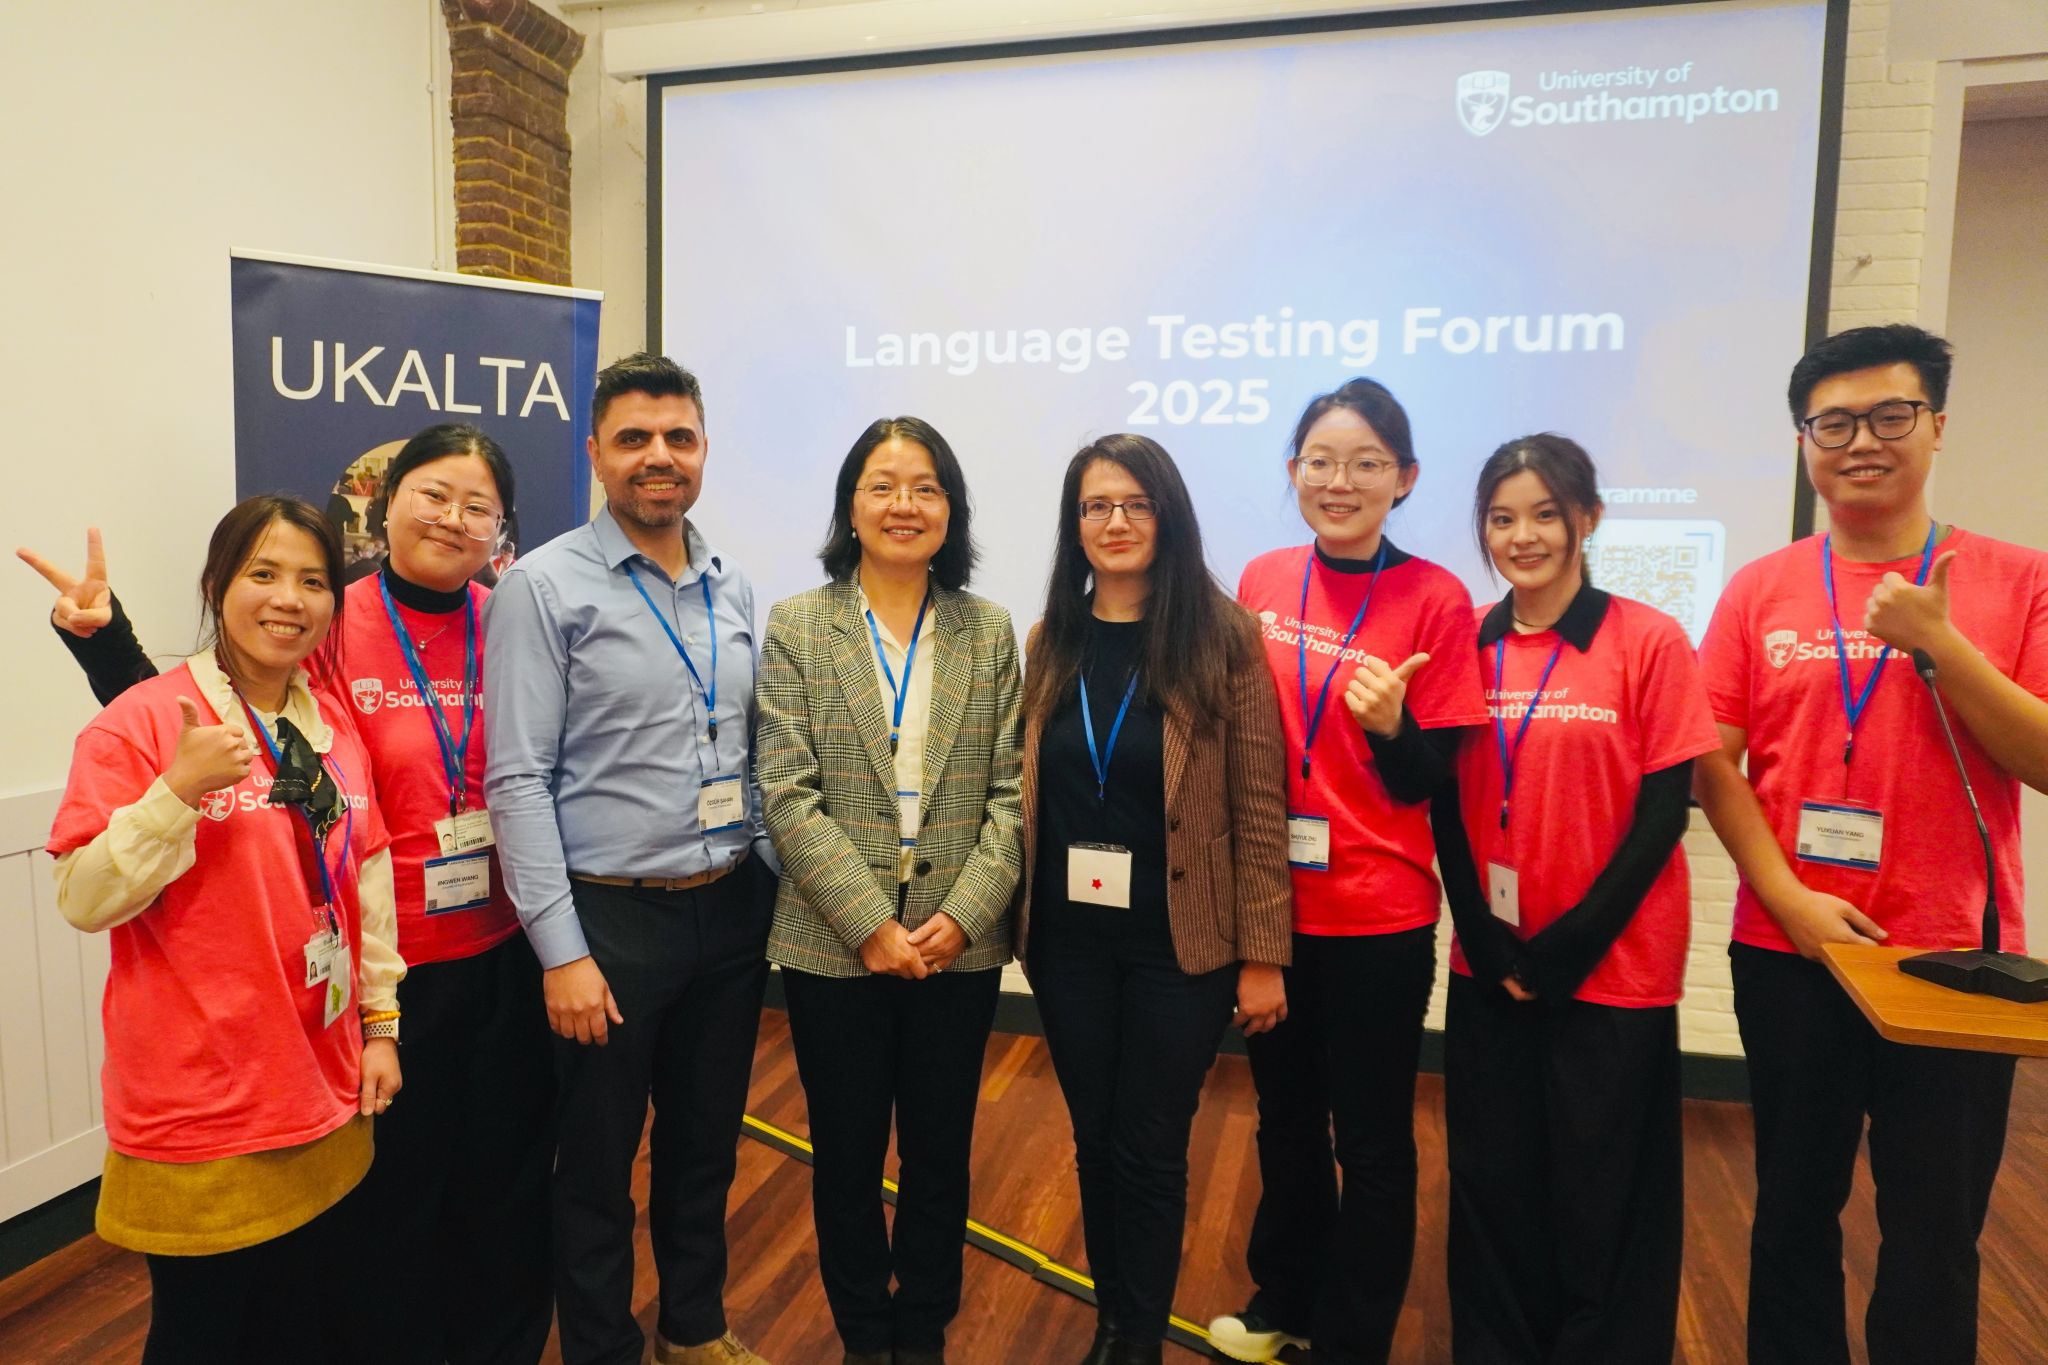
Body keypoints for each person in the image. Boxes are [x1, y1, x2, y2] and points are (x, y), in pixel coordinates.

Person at [25, 425, 555, 1365]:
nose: (453, 517)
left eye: (478, 505)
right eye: (433, 493)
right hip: (344, 999)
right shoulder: (334, 620)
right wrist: (109, 646)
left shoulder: (513, 615)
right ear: (382, 504)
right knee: (355, 1238)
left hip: (468, 963)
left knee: (493, 1195)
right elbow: (204, 723)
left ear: (502, 527)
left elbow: (275, 751)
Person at [1693, 324, 2048, 1365]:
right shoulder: (1760, 587)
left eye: (1889, 416)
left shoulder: (2013, 579)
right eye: (1831, 422)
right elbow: (1714, 761)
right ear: (1803, 439)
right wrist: (1785, 899)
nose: (1860, 442)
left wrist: (1938, 642)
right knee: (1789, 1212)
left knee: (1931, 1232)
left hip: (1950, 956)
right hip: (1791, 949)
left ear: (1934, 426)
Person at [44, 495, 403, 1365]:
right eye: (264, 574)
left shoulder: (326, 718)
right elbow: (84, 897)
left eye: (314, 581)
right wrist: (175, 794)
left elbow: (367, 873)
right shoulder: (145, 721)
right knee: (208, 1333)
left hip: (322, 1081)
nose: (290, 599)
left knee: (310, 1320)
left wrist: (382, 1024)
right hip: (202, 1101)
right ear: (217, 585)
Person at [483, 353, 775, 1365]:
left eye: (678, 438)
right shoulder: (541, 587)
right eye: (635, 439)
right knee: (596, 1167)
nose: (660, 457)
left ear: (701, 451)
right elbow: (515, 780)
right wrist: (561, 953)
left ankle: (693, 1329)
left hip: (728, 913)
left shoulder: (733, 585)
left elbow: (749, 748)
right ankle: (601, 1349)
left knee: (703, 1152)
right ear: (597, 453)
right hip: (608, 925)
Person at [1215, 379, 1488, 1365]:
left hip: (1376, 919)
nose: (1340, 481)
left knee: (1370, 1141)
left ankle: (1352, 1336)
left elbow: (1429, 784)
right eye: (1321, 462)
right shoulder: (1259, 579)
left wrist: (1389, 729)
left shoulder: (1435, 601)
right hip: (1270, 910)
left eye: (1366, 463)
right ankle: (1282, 1298)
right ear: (1293, 473)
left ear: (1404, 480)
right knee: (1281, 1121)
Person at [1430, 434, 1720, 1363]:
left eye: (1546, 514)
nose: (1524, 536)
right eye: (1503, 518)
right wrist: (1483, 937)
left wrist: (1560, 953)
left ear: (1588, 519)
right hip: (1489, 965)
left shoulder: (1648, 639)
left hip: (1611, 971)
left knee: (1603, 1189)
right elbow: (1444, 800)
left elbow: (1664, 814)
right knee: (1492, 1178)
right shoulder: (1463, 642)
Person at [1015, 434, 1292, 1365]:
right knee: (1096, 1140)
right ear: (1075, 524)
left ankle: (1137, 1338)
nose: (1116, 522)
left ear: (1166, 514)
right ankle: (1112, 1318)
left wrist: (1263, 954)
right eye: (1096, 506)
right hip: (1068, 944)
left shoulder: (1224, 637)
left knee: (1152, 1142)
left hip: (1183, 943)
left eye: (1134, 503)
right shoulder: (1051, 638)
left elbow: (1259, 804)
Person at [755, 416, 1023, 1365]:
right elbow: (785, 791)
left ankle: (924, 1335)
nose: (904, 503)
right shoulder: (798, 623)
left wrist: (961, 915)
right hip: (834, 943)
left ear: (951, 509)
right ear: (850, 507)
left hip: (961, 945)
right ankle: (865, 1335)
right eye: (882, 484)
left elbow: (1009, 792)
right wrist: (871, 923)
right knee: (847, 1156)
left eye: (925, 486)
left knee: (942, 1156)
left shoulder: (988, 630)